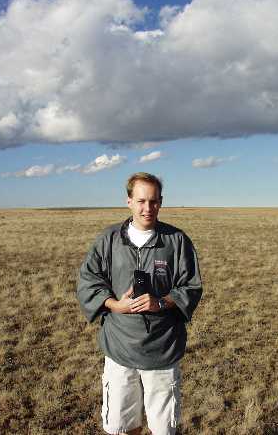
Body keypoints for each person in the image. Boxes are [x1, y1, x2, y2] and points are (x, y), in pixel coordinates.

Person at [77, 172, 203, 435]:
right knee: (121, 426)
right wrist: (113, 304)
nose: (148, 208)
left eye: (154, 201)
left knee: (163, 428)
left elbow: (191, 286)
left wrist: (161, 302)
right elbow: (89, 279)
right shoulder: (109, 239)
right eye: (142, 201)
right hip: (120, 347)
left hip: (162, 348)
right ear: (129, 202)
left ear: (161, 202)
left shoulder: (176, 241)